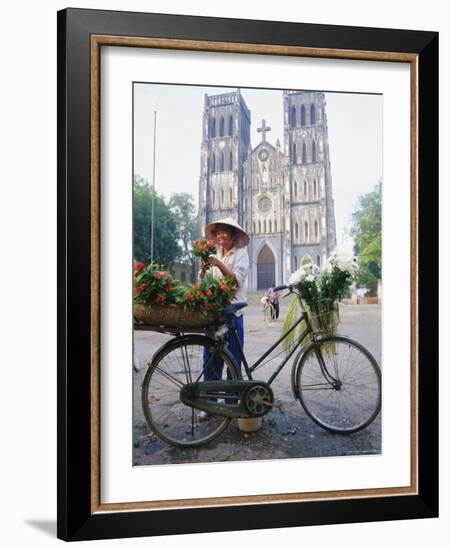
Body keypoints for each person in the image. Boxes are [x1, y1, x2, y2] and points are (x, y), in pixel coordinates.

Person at [198, 218, 249, 409]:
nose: (220, 236)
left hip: (233, 315)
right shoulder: (214, 254)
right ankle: (209, 405)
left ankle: (231, 405)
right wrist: (203, 272)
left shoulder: (241, 254)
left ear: (233, 235)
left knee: (233, 361)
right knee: (211, 359)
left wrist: (219, 264)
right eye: (218, 232)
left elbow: (236, 280)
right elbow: (202, 284)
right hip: (215, 315)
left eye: (224, 232)